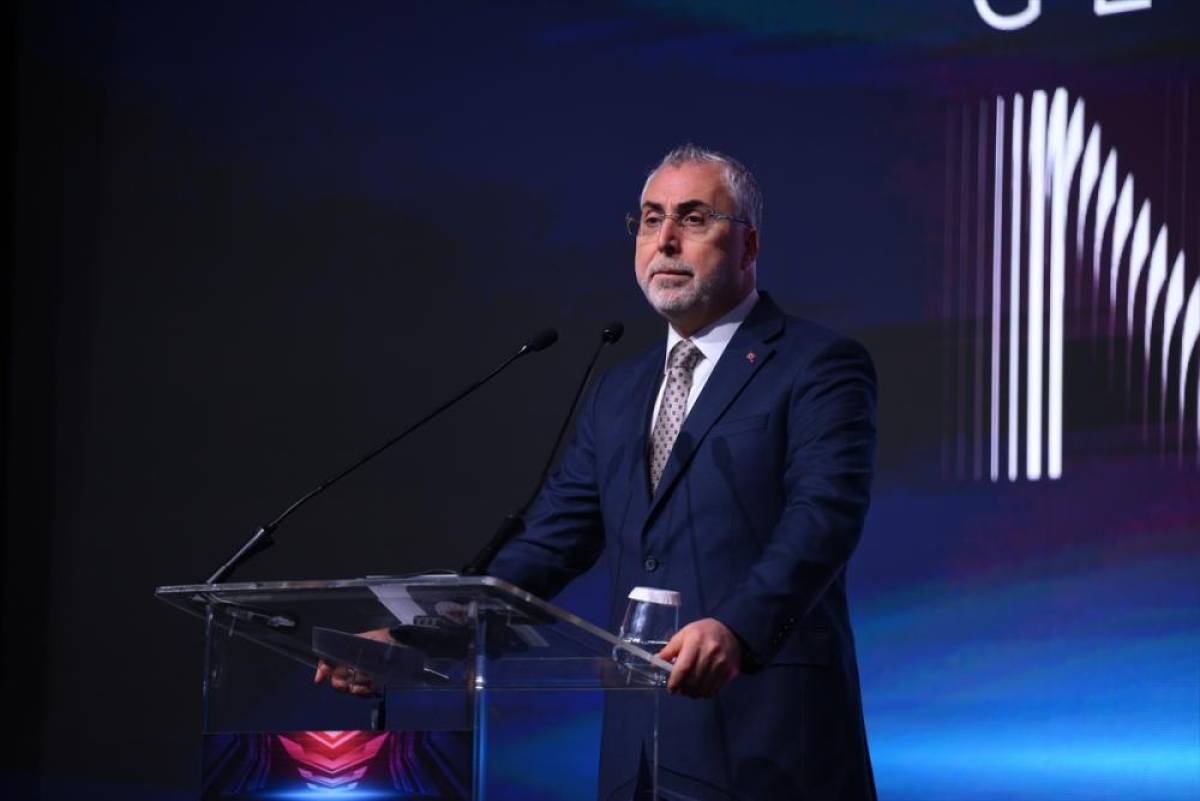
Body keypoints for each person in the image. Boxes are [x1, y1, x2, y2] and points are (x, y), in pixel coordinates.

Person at [320, 144, 878, 800]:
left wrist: (736, 626)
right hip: (638, 751)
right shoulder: (620, 390)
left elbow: (823, 520)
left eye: (693, 218)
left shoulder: (816, 365)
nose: (665, 239)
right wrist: (416, 639)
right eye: (651, 218)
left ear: (749, 245)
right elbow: (550, 543)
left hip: (770, 736)